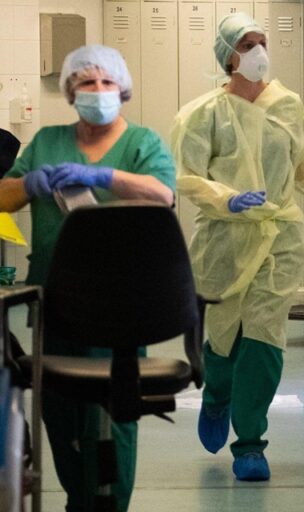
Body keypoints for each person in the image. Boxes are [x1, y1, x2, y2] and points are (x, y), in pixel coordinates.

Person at [171, 12, 304, 482]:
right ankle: (217, 395)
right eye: (247, 44)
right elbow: (187, 177)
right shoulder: (202, 114)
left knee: (263, 338)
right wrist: (228, 199)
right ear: (228, 57)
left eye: (261, 41)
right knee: (223, 339)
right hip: (224, 239)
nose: (259, 51)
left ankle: (250, 444)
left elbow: (301, 164)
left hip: (279, 238)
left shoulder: (285, 104)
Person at [0, 44, 175, 512]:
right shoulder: (46, 142)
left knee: (114, 415)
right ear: (70, 91)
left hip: (121, 309)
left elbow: (162, 194)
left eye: (106, 82)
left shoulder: (142, 144)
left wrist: (102, 176)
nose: (97, 90)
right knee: (60, 414)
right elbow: (3, 197)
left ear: (123, 89)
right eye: (86, 82)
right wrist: (28, 183)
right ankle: (80, 501)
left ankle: (109, 505)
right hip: (55, 304)